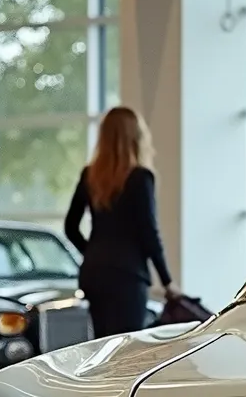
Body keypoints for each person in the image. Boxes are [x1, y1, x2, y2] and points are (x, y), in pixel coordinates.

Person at [65, 107, 177, 338]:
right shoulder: (140, 178)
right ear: (136, 137)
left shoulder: (90, 175)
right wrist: (167, 282)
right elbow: (148, 233)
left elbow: (70, 227)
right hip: (127, 275)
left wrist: (94, 253)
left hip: (94, 274)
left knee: (103, 344)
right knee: (127, 347)